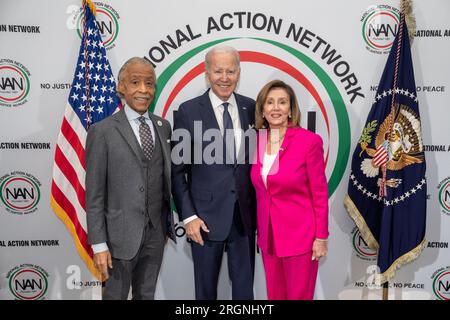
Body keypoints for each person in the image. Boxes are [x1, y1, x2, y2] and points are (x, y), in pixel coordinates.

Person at [86, 57, 175, 300]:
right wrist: (99, 244)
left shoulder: (163, 126)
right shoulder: (102, 131)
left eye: (150, 84)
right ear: (121, 87)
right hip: (117, 239)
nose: (144, 90)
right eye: (135, 82)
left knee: (146, 295)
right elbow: (94, 195)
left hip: (155, 236)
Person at [171, 45, 256, 300]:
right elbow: (178, 172)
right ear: (207, 73)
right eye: (218, 71)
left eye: (231, 71)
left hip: (244, 218)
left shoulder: (251, 107)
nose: (225, 77)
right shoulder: (187, 111)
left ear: (239, 73)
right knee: (205, 294)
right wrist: (188, 217)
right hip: (204, 221)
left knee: (244, 293)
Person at [250, 80, 328, 300]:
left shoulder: (308, 141)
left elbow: (319, 194)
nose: (276, 108)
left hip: (300, 238)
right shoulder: (256, 141)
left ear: (291, 109)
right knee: (275, 296)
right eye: (270, 102)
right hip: (268, 237)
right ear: (262, 109)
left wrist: (321, 237)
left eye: (282, 102)